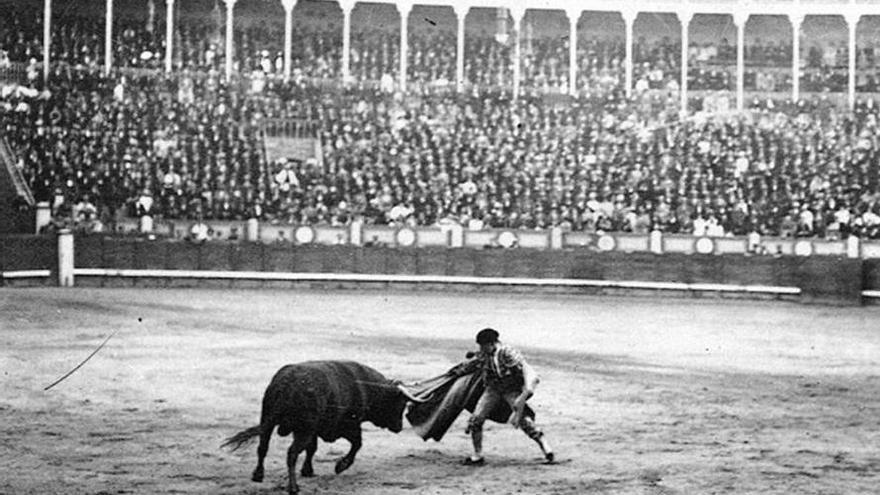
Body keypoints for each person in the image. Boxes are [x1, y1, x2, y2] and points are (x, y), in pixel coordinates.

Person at [463, 328, 554, 466]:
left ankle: (546, 448)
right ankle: (478, 455)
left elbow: (522, 371)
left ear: (492, 343)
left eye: (483, 345)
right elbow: (477, 359)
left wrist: (522, 394)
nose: (481, 348)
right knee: (476, 419)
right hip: (492, 389)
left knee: (523, 420)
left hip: (510, 389)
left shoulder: (508, 353)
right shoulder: (485, 353)